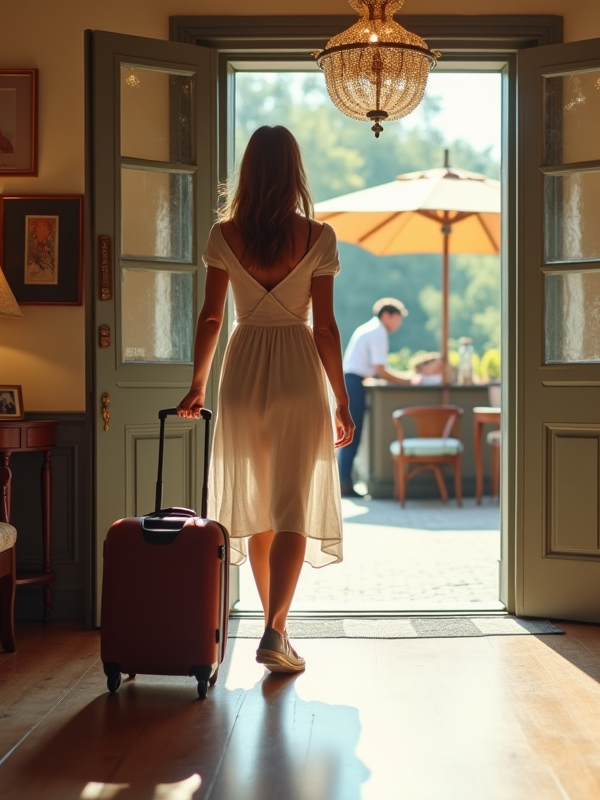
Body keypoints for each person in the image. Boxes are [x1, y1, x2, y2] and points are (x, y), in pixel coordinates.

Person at [177, 125, 353, 674]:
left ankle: (270, 626)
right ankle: (277, 629)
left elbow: (211, 317)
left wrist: (198, 384)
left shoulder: (224, 236)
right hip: (299, 373)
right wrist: (342, 400)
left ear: (249, 171)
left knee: (257, 508)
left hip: (245, 369)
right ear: (294, 171)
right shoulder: (318, 236)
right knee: (292, 504)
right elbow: (324, 328)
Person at [338, 297, 414, 498]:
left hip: (352, 381)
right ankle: (344, 483)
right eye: (398, 319)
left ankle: (344, 480)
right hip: (354, 383)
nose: (398, 324)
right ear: (387, 315)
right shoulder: (378, 332)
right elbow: (382, 370)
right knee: (352, 433)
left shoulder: (369, 329)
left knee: (350, 433)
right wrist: (408, 381)